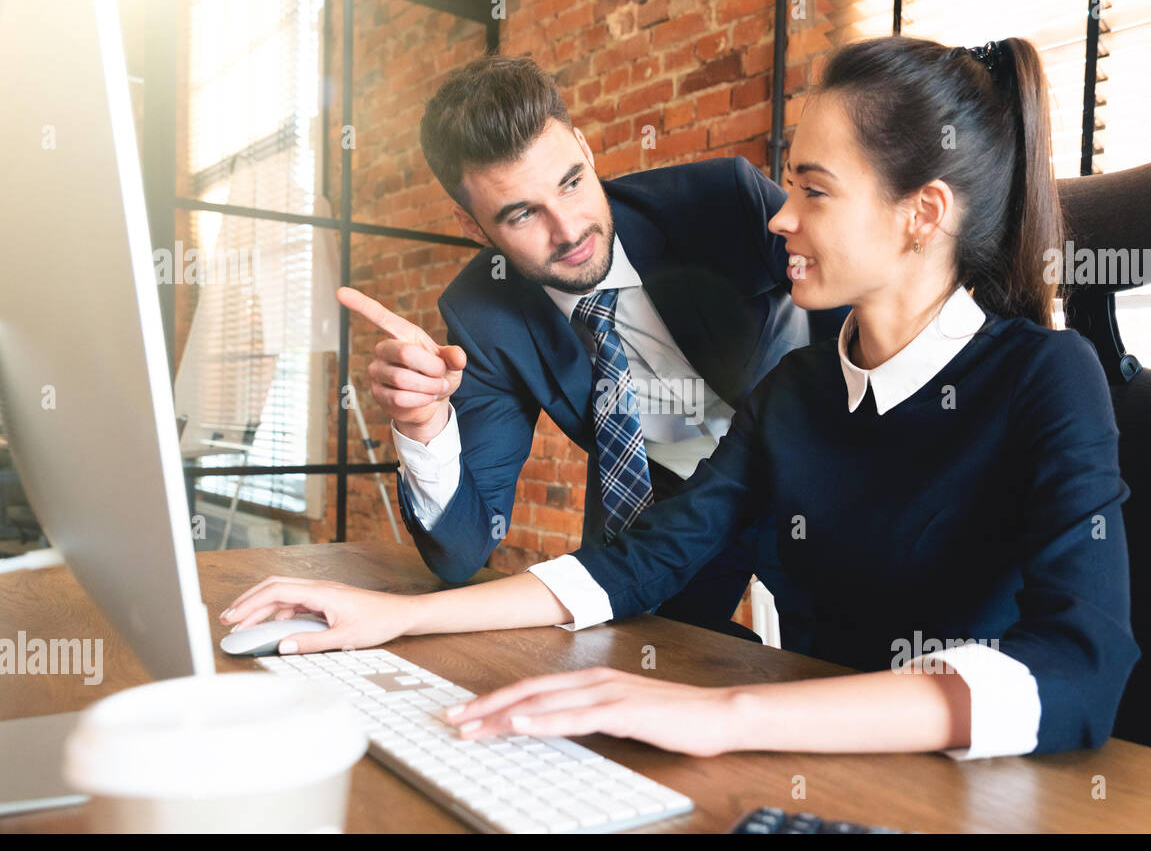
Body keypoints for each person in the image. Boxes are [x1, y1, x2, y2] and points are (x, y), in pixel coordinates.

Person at [223, 36, 1141, 758]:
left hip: (966, 778)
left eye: (812, 189)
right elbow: (641, 560)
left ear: (923, 213)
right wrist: (400, 616)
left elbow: (1080, 669)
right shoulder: (794, 393)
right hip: (807, 739)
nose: (779, 216)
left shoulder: (1047, 377)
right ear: (480, 227)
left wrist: (730, 714)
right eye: (789, 182)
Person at [341, 54, 846, 642]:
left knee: (852, 664)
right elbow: (460, 553)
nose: (569, 230)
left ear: (584, 146)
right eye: (523, 214)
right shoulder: (484, 314)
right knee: (638, 659)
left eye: (572, 182)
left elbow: (852, 309)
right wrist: (422, 424)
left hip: (812, 466)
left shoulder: (721, 200)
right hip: (672, 519)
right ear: (474, 227)